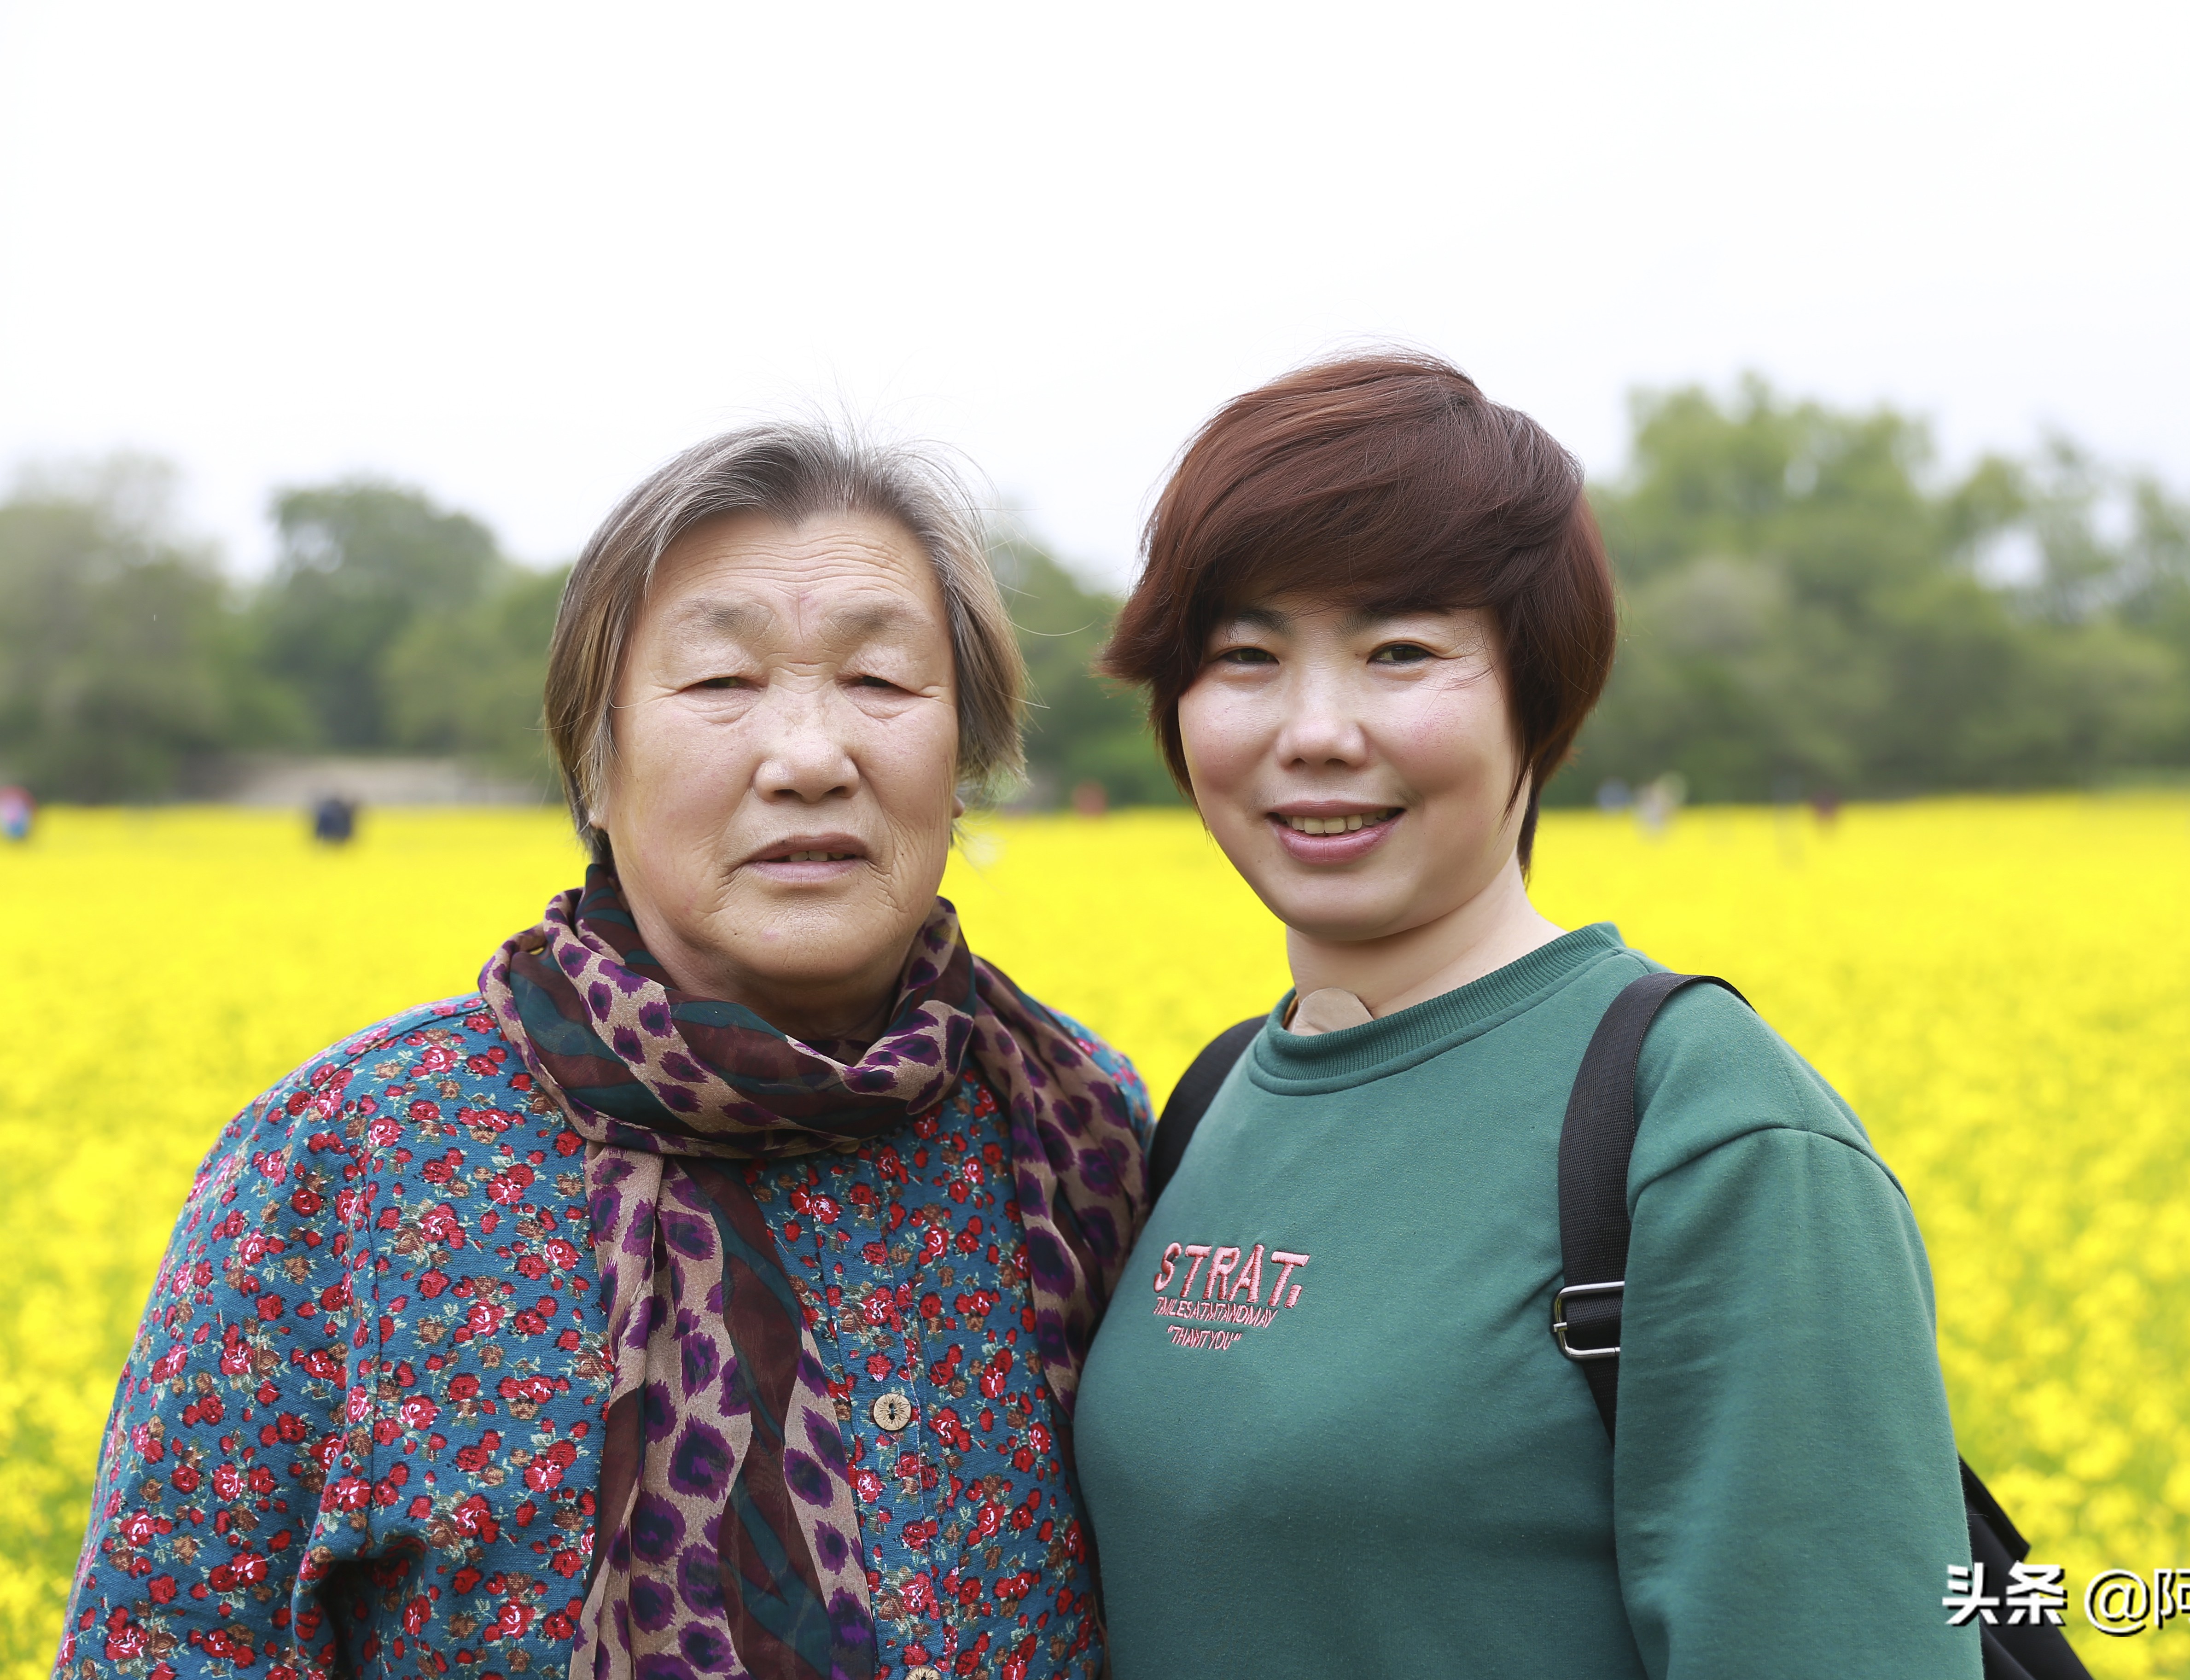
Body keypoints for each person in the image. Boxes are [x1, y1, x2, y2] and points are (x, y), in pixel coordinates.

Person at [58, 424, 1152, 1680]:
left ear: (967, 754)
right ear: (595, 759)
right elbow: (166, 1647)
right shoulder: (350, 1163)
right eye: (720, 684)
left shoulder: (1081, 1133)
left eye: (881, 683)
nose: (809, 756)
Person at [1072, 354, 1976, 1678]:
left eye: (1401, 653)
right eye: (1246, 657)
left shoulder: (1708, 1139)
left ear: (1536, 697)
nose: (1316, 730)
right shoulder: (1208, 1103)